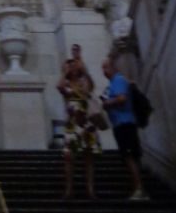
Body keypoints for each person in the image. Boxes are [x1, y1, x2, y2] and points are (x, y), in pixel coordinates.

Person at [101, 57, 149, 201]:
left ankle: (139, 189)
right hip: (121, 125)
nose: (103, 71)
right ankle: (137, 187)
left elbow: (122, 99)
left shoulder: (118, 80)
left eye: (105, 67)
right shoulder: (114, 83)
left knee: (129, 156)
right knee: (128, 156)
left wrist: (107, 103)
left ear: (113, 67)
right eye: (102, 68)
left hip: (125, 124)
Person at [57, 50, 99, 200]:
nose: (73, 67)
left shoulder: (83, 82)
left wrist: (84, 68)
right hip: (72, 123)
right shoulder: (67, 84)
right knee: (69, 157)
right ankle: (69, 190)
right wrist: (65, 72)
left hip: (86, 123)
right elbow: (59, 87)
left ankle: (90, 189)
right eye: (70, 66)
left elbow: (91, 86)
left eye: (74, 65)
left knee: (88, 157)